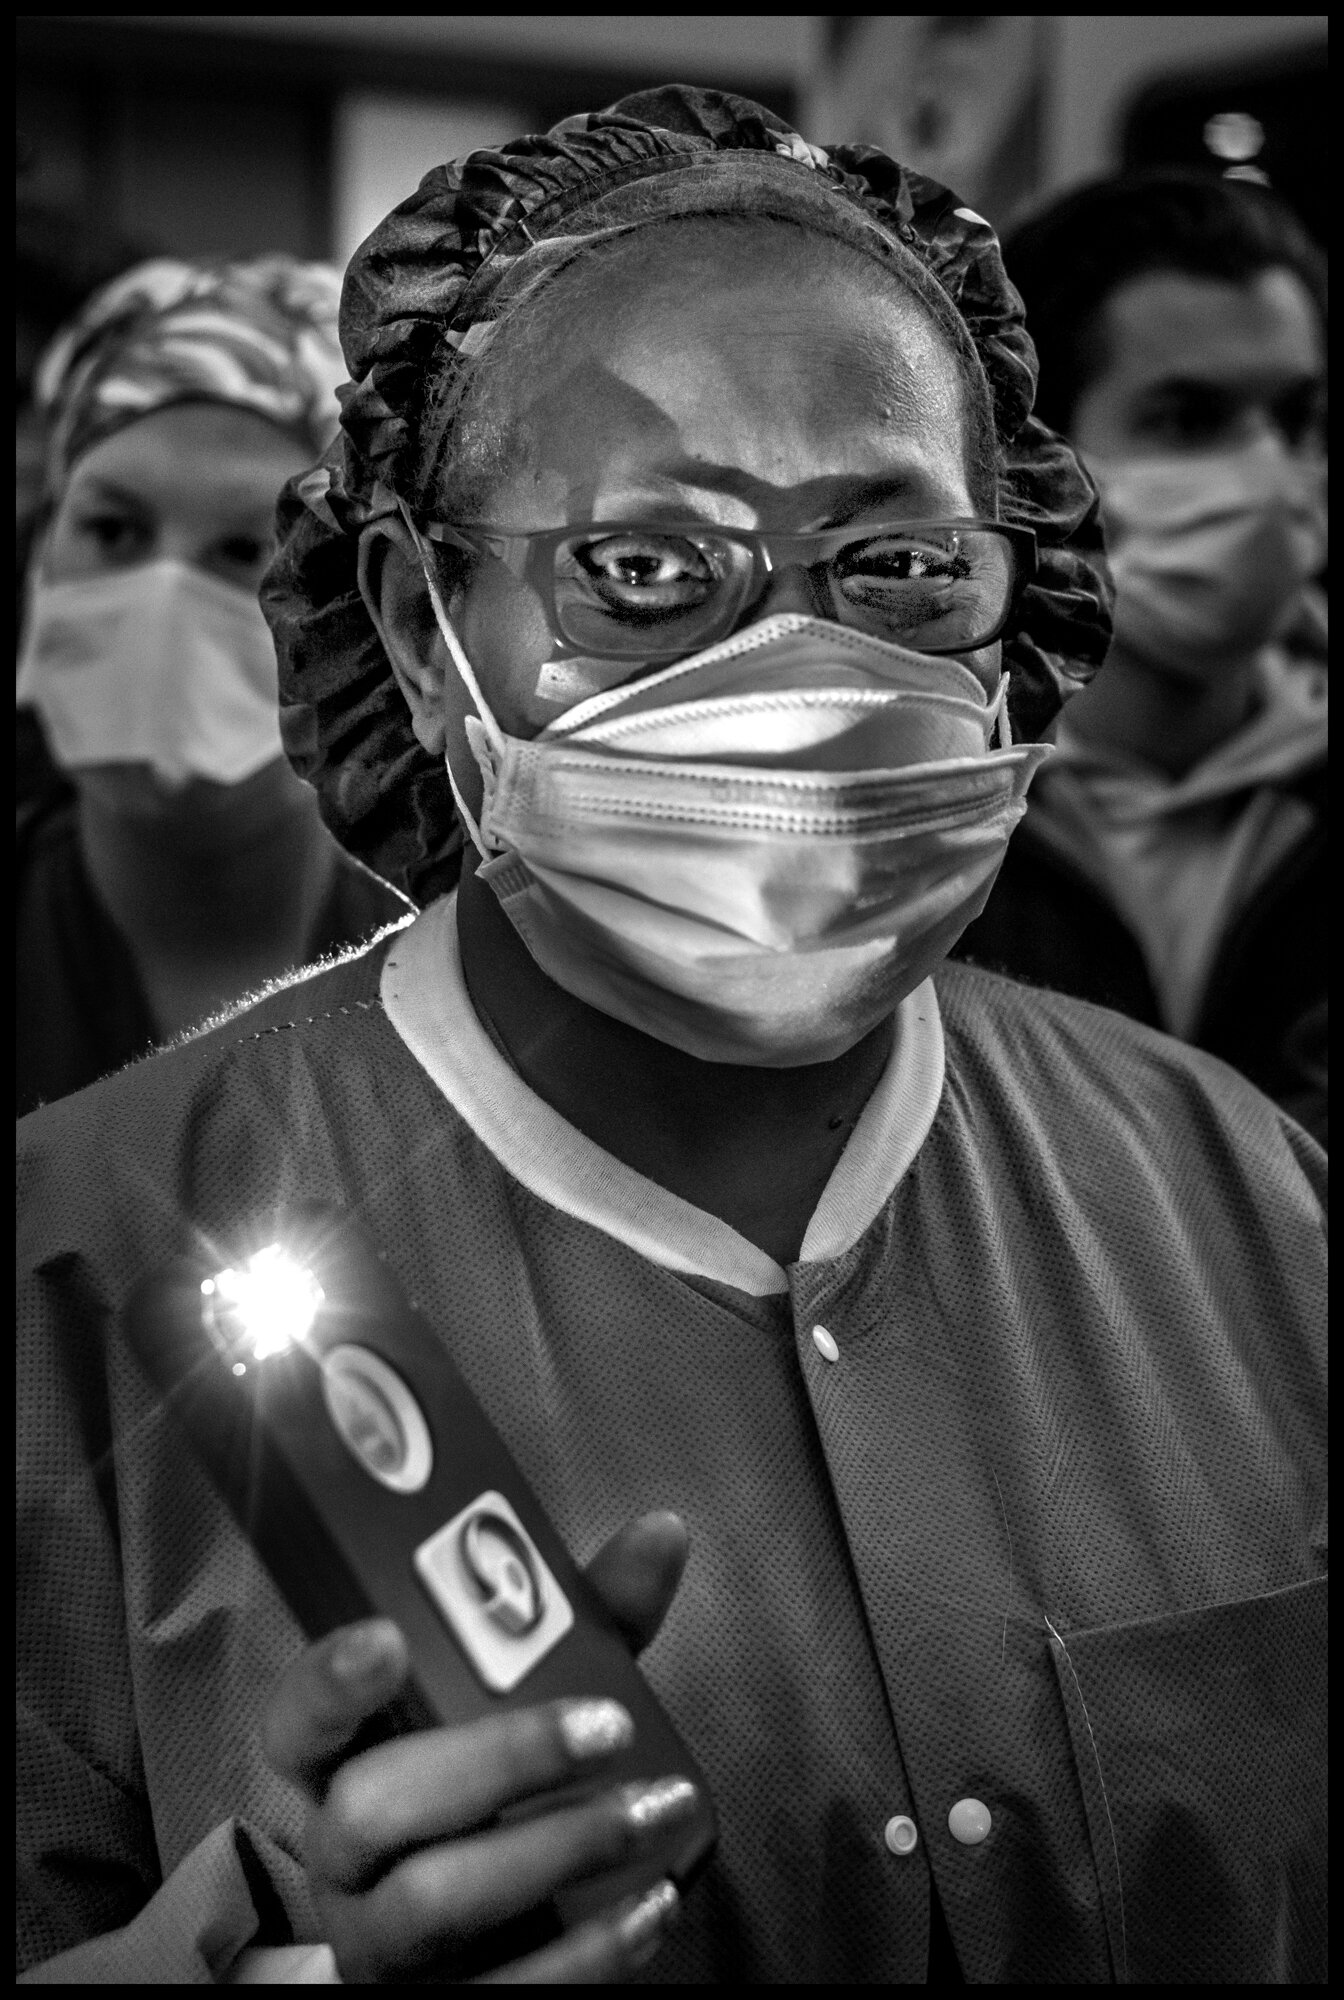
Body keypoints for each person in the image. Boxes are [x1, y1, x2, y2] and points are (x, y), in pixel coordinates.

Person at [17, 91, 1324, 1985]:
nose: (789, 672)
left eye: (894, 568)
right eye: (644, 575)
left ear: (1007, 583)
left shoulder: (1242, 1215)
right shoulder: (79, 1263)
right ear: (414, 623)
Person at [952, 172, 1328, 1143]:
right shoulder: (931, 806)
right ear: (1035, 466)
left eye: (1294, 419)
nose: (1267, 473)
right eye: (1189, 420)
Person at [15, 258, 412, 1116]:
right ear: (42, 556)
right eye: (113, 529)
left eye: (242, 549)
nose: (163, 595)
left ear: (359, 609)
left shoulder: (455, 993)